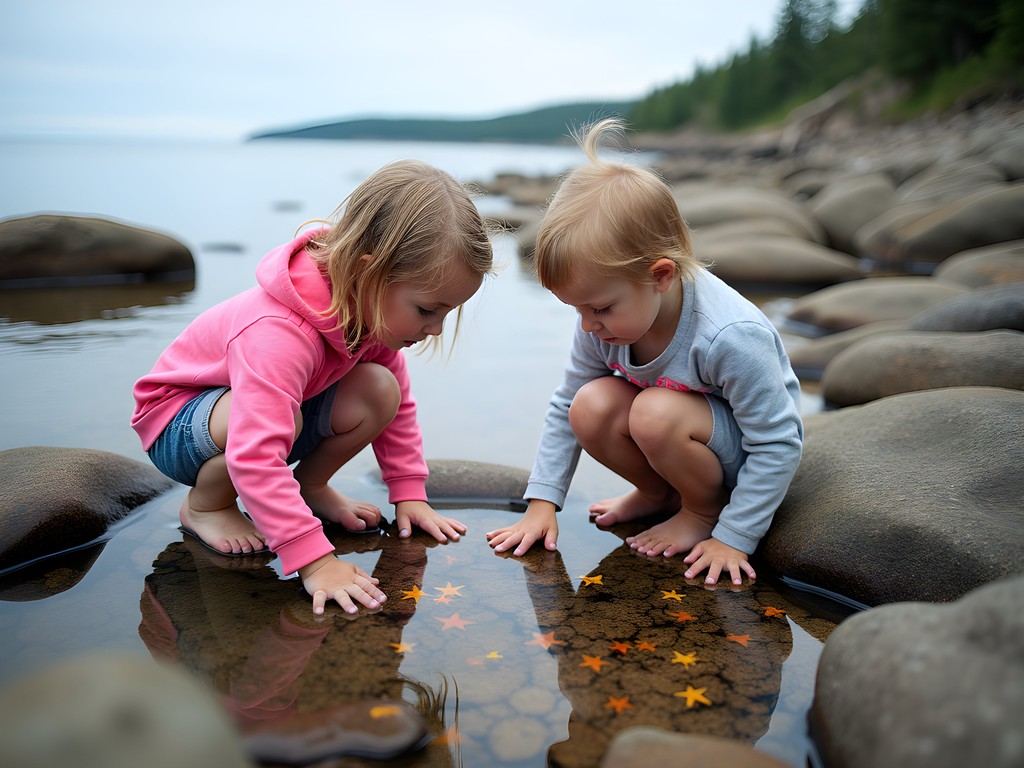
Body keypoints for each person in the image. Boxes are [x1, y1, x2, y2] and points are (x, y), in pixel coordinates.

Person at [132, 159, 493, 614]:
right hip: (178, 425)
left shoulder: (367, 313)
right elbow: (257, 451)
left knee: (380, 389)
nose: (436, 329)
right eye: (426, 310)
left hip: (252, 421)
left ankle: (310, 486)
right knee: (281, 417)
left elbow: (395, 411)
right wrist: (315, 560)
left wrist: (409, 494)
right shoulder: (277, 331)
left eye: (446, 313)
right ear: (368, 271)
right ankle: (206, 506)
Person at [486, 119, 803, 586]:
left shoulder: (728, 335)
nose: (588, 324)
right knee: (588, 405)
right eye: (576, 309)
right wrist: (541, 505)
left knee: (653, 412)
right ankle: (658, 495)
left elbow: (778, 442)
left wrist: (736, 536)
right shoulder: (602, 322)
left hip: (741, 458)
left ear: (660, 276)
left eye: (599, 308)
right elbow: (563, 406)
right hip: (681, 443)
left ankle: (701, 512)